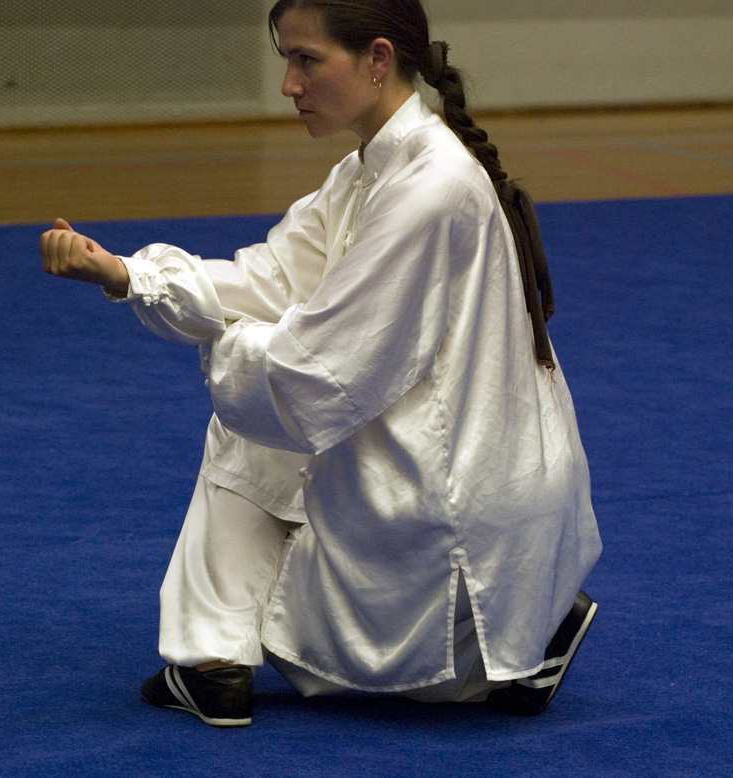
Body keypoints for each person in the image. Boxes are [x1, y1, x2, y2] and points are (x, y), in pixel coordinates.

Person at [40, 0, 602, 728]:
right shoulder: (374, 169)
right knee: (258, 391)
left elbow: (318, 375)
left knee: (252, 413)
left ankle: (500, 639)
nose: (289, 84)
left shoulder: (430, 187)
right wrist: (126, 274)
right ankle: (507, 634)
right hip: (469, 488)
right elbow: (273, 279)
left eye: (306, 60)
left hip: (454, 516)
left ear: (377, 59)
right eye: (287, 61)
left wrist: (226, 347)